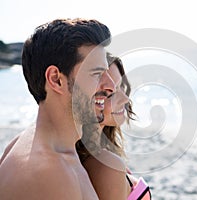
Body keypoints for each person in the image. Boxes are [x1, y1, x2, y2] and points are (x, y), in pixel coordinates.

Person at [0, 18, 115, 199]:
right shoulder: (52, 175)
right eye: (97, 73)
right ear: (56, 79)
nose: (111, 86)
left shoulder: (27, 142)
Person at [76, 53, 152, 200]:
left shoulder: (97, 156)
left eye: (121, 87)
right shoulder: (105, 165)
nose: (125, 98)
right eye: (112, 92)